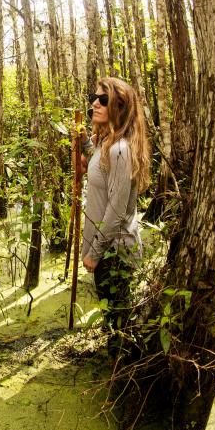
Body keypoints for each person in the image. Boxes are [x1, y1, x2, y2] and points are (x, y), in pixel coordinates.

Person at [80, 77, 151, 319]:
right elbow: (100, 164)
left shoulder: (120, 150)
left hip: (115, 255)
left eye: (103, 100)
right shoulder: (106, 143)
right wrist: (84, 143)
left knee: (118, 326)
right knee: (113, 322)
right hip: (107, 251)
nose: (95, 105)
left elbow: (116, 211)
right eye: (93, 99)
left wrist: (94, 252)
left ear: (120, 107)